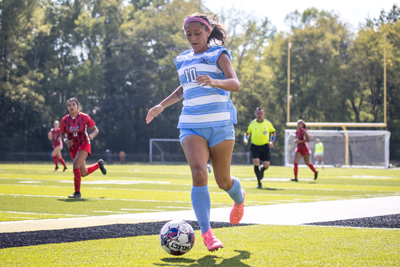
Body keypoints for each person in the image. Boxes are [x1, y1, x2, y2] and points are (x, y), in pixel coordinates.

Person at [146, 13, 245, 252]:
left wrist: (215, 81)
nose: (192, 38)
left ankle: (239, 198)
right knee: (199, 174)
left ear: (208, 31)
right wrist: (161, 105)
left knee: (222, 181)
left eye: (197, 33)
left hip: (221, 126)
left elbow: (235, 83)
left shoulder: (218, 54)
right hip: (190, 124)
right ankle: (208, 234)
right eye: (188, 34)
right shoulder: (182, 59)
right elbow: (184, 88)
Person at [60, 98, 107, 198]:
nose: (71, 107)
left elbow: (95, 129)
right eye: (69, 105)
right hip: (73, 146)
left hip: (84, 144)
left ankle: (77, 193)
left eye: (73, 105)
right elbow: (62, 133)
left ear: (78, 107)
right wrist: (65, 141)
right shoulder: (64, 120)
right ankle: (99, 165)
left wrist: (92, 136)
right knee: (83, 173)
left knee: (75, 164)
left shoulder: (84, 117)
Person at [244, 107, 276, 189]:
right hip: (255, 146)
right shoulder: (252, 124)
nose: (260, 115)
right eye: (258, 113)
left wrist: (272, 141)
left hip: (265, 146)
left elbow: (273, 132)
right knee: (256, 163)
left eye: (261, 113)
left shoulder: (268, 123)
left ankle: (262, 170)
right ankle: (259, 182)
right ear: (255, 114)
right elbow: (247, 133)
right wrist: (245, 139)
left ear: (264, 114)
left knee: (266, 165)